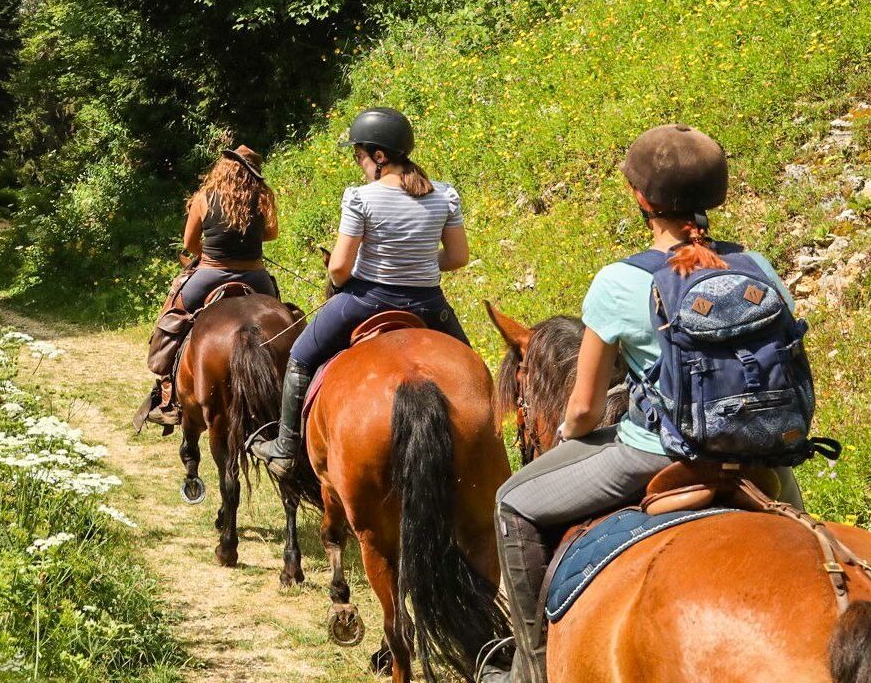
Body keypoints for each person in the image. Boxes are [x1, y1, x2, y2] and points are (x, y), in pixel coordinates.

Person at [488, 123, 805, 683]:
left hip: (655, 453)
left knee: (513, 502)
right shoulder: (758, 266)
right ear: (716, 195)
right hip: (763, 454)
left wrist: (567, 436)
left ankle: (532, 668)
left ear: (640, 197)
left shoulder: (618, 281)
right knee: (801, 535)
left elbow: (584, 409)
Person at [250, 106, 472, 475]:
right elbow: (458, 257)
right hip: (430, 305)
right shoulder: (445, 195)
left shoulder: (361, 197)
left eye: (359, 156)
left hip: (367, 301)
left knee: (301, 356)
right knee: (472, 369)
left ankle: (286, 447)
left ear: (379, 156)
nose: (360, 165)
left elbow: (338, 266)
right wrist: (418, 260)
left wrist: (342, 283)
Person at [142, 144, 280, 427]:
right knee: (281, 320)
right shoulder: (263, 197)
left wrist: (207, 252)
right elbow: (272, 233)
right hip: (255, 276)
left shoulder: (203, 197)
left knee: (173, 315)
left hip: (209, 275)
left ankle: (166, 392)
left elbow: (189, 242)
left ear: (223, 168)